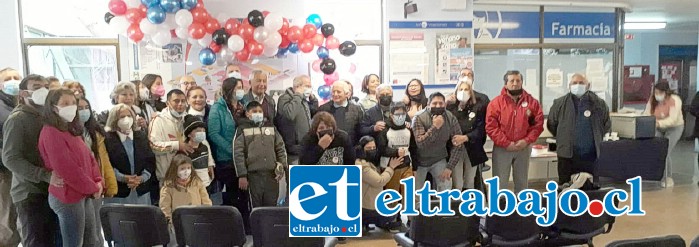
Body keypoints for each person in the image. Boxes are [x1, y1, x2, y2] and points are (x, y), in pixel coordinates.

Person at [38, 89, 102, 247]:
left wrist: (98, 180)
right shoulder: (51, 132)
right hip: (68, 195)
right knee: (74, 243)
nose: (71, 107)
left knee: (91, 240)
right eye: (65, 104)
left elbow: (90, 158)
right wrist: (92, 187)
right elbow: (66, 168)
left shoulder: (71, 129)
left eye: (73, 103)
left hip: (84, 193)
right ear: (53, 107)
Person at [3, 75, 59, 247]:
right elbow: (10, 158)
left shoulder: (48, 117)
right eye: (36, 87)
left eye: (45, 86)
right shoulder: (18, 119)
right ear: (23, 93)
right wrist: (43, 175)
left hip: (50, 190)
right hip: (30, 192)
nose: (42, 90)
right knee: (36, 241)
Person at [486, 70, 544, 193]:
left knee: (522, 183)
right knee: (499, 183)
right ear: (506, 84)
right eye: (512, 81)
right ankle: (498, 209)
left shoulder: (532, 102)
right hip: (503, 148)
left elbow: (538, 125)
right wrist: (506, 143)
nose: (515, 83)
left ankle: (521, 209)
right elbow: (491, 127)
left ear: (522, 82)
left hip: (523, 148)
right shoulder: (496, 103)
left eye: (518, 80)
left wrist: (526, 141)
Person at [547, 73, 610, 186]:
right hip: (567, 156)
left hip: (591, 156)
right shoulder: (559, 104)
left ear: (588, 85)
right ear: (569, 85)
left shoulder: (599, 104)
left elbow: (606, 125)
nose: (578, 85)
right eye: (574, 83)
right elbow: (552, 124)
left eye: (581, 83)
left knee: (590, 188)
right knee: (565, 187)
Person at [207, 77, 250, 229]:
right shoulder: (217, 108)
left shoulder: (242, 106)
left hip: (243, 158)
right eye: (238, 87)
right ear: (229, 89)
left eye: (242, 87)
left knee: (244, 196)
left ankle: (245, 228)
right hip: (226, 160)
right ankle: (231, 229)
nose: (241, 90)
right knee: (233, 196)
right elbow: (213, 133)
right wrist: (232, 150)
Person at [77, 97, 116, 247]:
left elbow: (103, 160)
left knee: (96, 229)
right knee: (86, 231)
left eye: (86, 107)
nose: (84, 111)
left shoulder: (95, 132)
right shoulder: (69, 133)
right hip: (79, 186)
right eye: (79, 108)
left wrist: (106, 182)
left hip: (96, 183)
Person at [234, 101, 287, 208]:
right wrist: (242, 175)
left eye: (260, 111)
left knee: (271, 206)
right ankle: (255, 225)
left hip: (272, 175)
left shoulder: (271, 127)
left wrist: (282, 166)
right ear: (248, 113)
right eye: (254, 111)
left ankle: (269, 225)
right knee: (255, 207)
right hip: (253, 176)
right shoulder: (242, 129)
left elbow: (280, 147)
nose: (258, 113)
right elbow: (238, 153)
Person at [412, 92, 466, 191]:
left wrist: (449, 167)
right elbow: (421, 144)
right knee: (415, 193)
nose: (438, 106)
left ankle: (444, 206)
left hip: (439, 159)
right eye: (434, 103)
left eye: (441, 103)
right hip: (419, 161)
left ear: (445, 104)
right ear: (428, 105)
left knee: (446, 185)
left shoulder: (450, 117)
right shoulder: (418, 117)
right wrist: (435, 127)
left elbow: (458, 144)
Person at [375, 103, 417, 228]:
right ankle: (392, 220)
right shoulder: (384, 130)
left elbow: (413, 148)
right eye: (397, 114)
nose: (400, 117)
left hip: (406, 165)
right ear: (391, 115)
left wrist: (415, 167)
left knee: (409, 194)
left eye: (403, 114)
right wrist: (395, 152)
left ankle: (411, 220)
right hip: (390, 166)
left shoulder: (409, 129)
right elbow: (381, 149)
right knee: (392, 194)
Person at [103, 104, 155, 205]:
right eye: (122, 117)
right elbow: (106, 164)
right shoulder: (107, 139)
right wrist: (124, 178)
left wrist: (142, 178)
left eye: (129, 116)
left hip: (141, 190)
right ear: (114, 119)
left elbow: (150, 160)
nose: (126, 119)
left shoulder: (141, 136)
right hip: (119, 192)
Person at [446, 80, 488, 190]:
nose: (463, 92)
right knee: (457, 182)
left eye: (466, 89)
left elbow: (481, 128)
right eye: (461, 89)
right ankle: (456, 205)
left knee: (470, 181)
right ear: (456, 91)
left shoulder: (477, 108)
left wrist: (466, 137)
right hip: (455, 148)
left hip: (472, 147)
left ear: (471, 92)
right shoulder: (450, 108)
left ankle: (469, 204)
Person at [357, 136, 402, 232]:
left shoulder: (367, 162)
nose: (372, 150)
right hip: (366, 207)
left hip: (368, 204)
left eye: (374, 148)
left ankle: (365, 223)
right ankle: (366, 221)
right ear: (361, 149)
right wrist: (391, 167)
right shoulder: (362, 166)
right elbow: (380, 181)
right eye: (369, 148)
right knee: (393, 213)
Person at [644, 81, 684, 187]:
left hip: (674, 128)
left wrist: (658, 123)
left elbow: (673, 119)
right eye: (655, 92)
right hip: (658, 127)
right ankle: (657, 174)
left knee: (665, 150)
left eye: (659, 93)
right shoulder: (652, 100)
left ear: (666, 92)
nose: (657, 95)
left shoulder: (674, 100)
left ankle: (668, 178)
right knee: (658, 150)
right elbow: (647, 113)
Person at [149, 89, 190, 182]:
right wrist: (177, 145)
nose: (180, 104)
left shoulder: (188, 118)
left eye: (183, 101)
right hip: (167, 176)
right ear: (168, 103)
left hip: (187, 175)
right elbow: (153, 145)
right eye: (176, 101)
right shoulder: (158, 120)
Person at [276, 75, 318, 166]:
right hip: (293, 150)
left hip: (306, 148)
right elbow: (290, 114)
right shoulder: (285, 98)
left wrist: (313, 99)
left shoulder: (303, 100)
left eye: (310, 86)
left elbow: (313, 112)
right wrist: (298, 95)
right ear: (297, 87)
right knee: (296, 178)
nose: (309, 89)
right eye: (307, 86)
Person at [0, 68, 21, 247]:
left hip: (20, 169)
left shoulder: (19, 104)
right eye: (8, 79)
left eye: (16, 78)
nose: (13, 81)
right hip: (4, 171)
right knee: (7, 219)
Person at [159, 154, 212, 223]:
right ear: (175, 169)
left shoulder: (197, 182)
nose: (186, 171)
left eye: (188, 168)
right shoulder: (168, 187)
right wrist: (170, 222)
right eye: (182, 168)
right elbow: (165, 209)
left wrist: (207, 216)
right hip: (179, 223)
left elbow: (206, 201)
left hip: (197, 220)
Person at [318, 81, 364, 145]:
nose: (335, 94)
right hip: (330, 148)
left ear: (347, 94)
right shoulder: (323, 109)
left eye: (338, 92)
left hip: (351, 147)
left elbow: (360, 129)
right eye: (333, 92)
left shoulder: (356, 109)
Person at [182, 115, 215, 188]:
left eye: (203, 131)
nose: (202, 133)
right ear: (189, 134)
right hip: (192, 187)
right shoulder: (184, 150)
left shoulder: (205, 146)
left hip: (206, 184)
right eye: (198, 131)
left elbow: (209, 159)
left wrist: (210, 166)